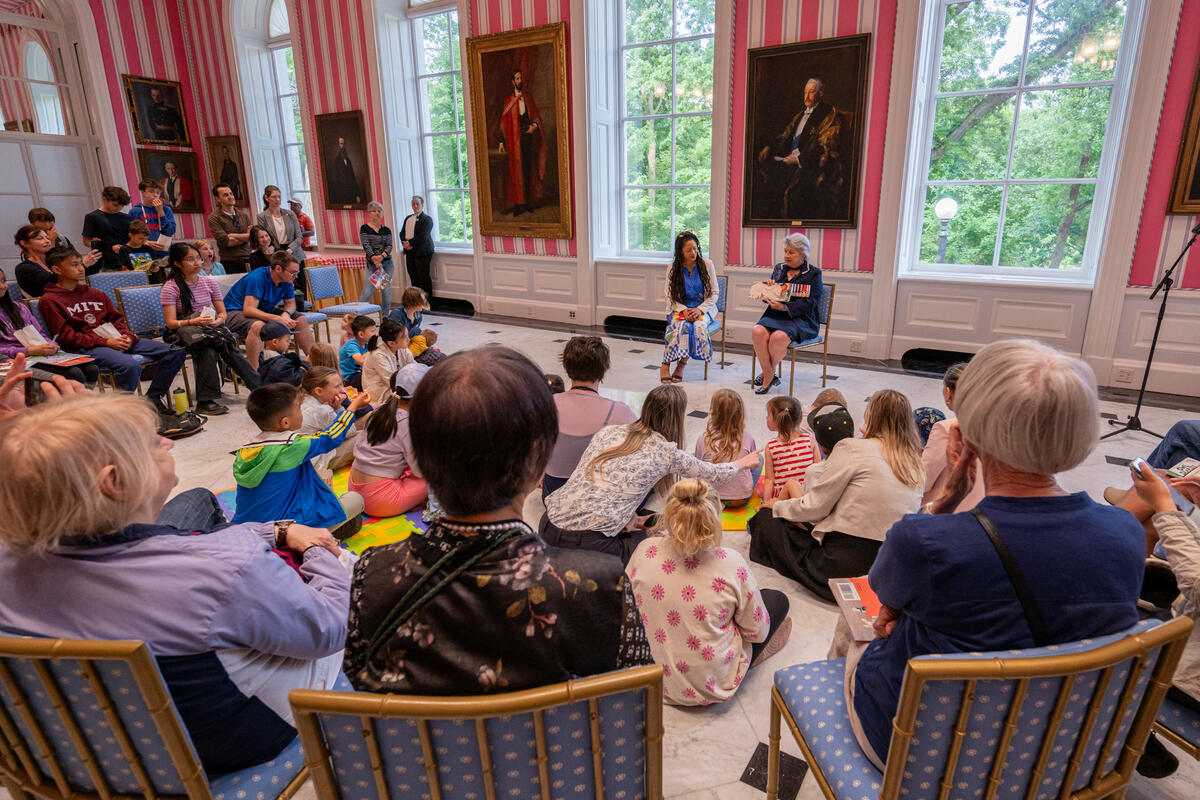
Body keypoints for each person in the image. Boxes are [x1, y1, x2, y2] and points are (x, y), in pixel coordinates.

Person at [0, 392, 349, 775]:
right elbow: (328, 630)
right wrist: (317, 548)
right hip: (220, 745)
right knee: (344, 567)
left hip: (76, 748)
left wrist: (22, 447)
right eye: (153, 441)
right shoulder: (224, 566)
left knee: (196, 501)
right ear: (114, 481)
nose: (168, 441)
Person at [843, 340, 1144, 771]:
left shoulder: (924, 540)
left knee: (857, 622)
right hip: (1058, 751)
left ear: (962, 438)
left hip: (926, 752)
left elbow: (883, 600)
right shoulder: (1127, 533)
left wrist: (944, 501)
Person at [344, 346, 652, 693]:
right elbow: (634, 704)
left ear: (423, 460)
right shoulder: (595, 583)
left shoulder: (373, 575)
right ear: (539, 460)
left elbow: (359, 681)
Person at [541, 384, 762, 564]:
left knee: (649, 520)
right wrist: (742, 463)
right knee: (664, 541)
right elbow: (713, 473)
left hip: (548, 525)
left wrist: (632, 518)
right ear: (677, 418)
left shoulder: (610, 432)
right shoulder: (666, 452)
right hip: (589, 545)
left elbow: (604, 484)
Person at [626, 479, 791, 705]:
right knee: (777, 600)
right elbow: (757, 633)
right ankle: (747, 661)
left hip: (650, 679)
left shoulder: (644, 550)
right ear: (714, 519)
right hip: (711, 686)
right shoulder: (731, 563)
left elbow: (628, 606)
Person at [749, 389, 924, 602]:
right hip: (890, 566)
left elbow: (815, 507)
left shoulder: (853, 448)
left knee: (766, 520)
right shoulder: (916, 462)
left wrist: (776, 506)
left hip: (841, 563)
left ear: (871, 417)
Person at [38, 247, 194, 435]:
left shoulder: (95, 293)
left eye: (81, 263)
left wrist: (125, 336)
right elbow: (65, 336)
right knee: (129, 366)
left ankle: (151, 399)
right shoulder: (50, 300)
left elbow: (116, 319)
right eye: (74, 265)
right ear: (57, 270)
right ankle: (122, 411)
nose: (81, 268)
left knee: (175, 352)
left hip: (116, 338)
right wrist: (106, 343)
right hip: (88, 346)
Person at [1125, 463, 1200, 778]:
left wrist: (1166, 506)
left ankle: (1127, 736)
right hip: (1188, 625)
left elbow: (1196, 584)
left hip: (1187, 676)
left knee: (1086, 629)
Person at [233, 382, 369, 532]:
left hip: (244, 530)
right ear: (285, 422)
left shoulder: (245, 450)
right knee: (355, 499)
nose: (302, 412)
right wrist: (353, 406)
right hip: (284, 532)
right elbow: (331, 437)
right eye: (299, 408)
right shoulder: (293, 446)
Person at [161, 242, 260, 415]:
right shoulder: (171, 287)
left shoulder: (208, 283)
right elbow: (170, 323)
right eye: (190, 259)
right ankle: (253, 388)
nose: (197, 263)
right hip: (180, 331)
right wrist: (193, 322)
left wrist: (218, 321)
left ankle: (255, 390)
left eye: (198, 258)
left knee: (222, 343)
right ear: (177, 263)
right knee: (208, 347)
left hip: (207, 328)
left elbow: (222, 313)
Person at [542, 336, 636, 498]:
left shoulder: (545, 406)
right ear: (603, 370)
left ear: (567, 367)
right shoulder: (620, 411)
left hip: (553, 493)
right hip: (596, 496)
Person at [754, 78, 846, 221]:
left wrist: (798, 159)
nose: (807, 97)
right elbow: (785, 136)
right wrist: (769, 147)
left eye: (811, 92)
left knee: (793, 193)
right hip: (788, 159)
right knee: (763, 181)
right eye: (805, 93)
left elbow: (825, 145)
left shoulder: (828, 114)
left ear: (820, 94)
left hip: (808, 163)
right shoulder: (800, 115)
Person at [348, 364, 429, 518]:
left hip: (354, 490)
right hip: (379, 500)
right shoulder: (408, 423)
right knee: (444, 475)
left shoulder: (380, 410)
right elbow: (420, 471)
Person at [751, 232, 823, 394]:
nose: (786, 256)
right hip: (775, 315)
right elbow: (768, 298)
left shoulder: (814, 273)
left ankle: (766, 375)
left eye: (791, 252)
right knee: (757, 331)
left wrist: (785, 308)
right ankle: (770, 373)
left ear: (803, 253)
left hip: (801, 319)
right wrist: (768, 288)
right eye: (786, 251)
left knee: (778, 338)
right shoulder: (779, 268)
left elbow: (811, 302)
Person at [0, 269, 99, 386]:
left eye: (3, 281)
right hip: (18, 358)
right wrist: (28, 351)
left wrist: (49, 344)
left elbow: (39, 333)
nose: (3, 286)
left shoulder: (19, 307)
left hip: (39, 353)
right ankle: (75, 403)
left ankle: (85, 402)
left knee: (91, 368)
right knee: (74, 373)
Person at [223, 251, 315, 369]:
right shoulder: (257, 278)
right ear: (278, 269)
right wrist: (278, 318)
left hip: (261, 310)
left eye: (297, 272)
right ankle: (255, 373)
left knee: (300, 319)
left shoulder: (287, 280)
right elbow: (249, 310)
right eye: (293, 272)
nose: (296, 276)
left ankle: (313, 362)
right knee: (258, 326)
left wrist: (286, 314)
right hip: (233, 312)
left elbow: (291, 304)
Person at [921, 362, 984, 513]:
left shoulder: (947, 428)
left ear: (949, 394)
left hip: (949, 511)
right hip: (985, 514)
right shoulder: (997, 429)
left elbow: (923, 480)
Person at [659, 231, 718, 383]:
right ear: (680, 252)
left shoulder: (707, 265)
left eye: (695, 248)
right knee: (682, 327)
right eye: (688, 250)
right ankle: (665, 364)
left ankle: (681, 365)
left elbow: (715, 294)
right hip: (679, 309)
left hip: (703, 309)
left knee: (696, 327)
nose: (693, 252)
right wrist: (684, 310)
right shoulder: (672, 268)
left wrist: (699, 310)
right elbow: (668, 295)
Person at [694, 389, 758, 508]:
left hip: (710, 497)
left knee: (697, 457)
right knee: (758, 459)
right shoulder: (747, 437)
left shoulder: (703, 438)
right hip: (742, 498)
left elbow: (698, 469)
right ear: (740, 414)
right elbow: (753, 464)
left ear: (712, 412)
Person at [299, 366, 360, 481]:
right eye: (337, 386)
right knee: (364, 436)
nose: (343, 390)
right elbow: (351, 430)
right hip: (315, 462)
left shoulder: (304, 400)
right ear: (318, 391)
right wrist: (339, 407)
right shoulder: (322, 410)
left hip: (302, 457)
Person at [497, 69, 544, 216]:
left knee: (528, 169)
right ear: (513, 82)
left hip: (528, 139)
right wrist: (500, 142)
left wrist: (534, 127)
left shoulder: (528, 99)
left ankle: (529, 203)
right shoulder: (508, 102)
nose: (519, 81)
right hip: (514, 142)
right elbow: (502, 124)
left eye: (521, 78)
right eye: (517, 79)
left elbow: (536, 116)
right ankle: (519, 204)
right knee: (516, 172)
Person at [14, 224, 99, 297]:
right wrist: (83, 264)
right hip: (47, 307)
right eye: (40, 238)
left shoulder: (52, 261)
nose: (47, 241)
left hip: (69, 300)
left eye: (47, 238)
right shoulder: (24, 268)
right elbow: (54, 281)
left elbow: (89, 272)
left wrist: (97, 253)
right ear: (24, 243)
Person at [761, 395, 816, 502]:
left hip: (781, 500)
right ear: (799, 419)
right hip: (807, 498)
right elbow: (817, 472)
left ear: (777, 420)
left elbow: (769, 480)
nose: (766, 418)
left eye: (768, 415)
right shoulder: (810, 440)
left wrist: (766, 504)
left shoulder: (771, 446)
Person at [256, 185, 306, 284]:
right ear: (267, 198)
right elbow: (265, 238)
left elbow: (299, 237)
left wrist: (290, 250)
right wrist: (280, 253)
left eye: (279, 197)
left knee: (300, 287)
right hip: (276, 253)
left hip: (294, 252)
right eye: (274, 197)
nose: (277, 200)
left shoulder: (290, 214)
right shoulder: (262, 216)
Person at [82, 186, 133, 273]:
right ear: (105, 199)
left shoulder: (127, 218)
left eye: (122, 206)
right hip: (106, 263)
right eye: (115, 205)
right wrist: (110, 248)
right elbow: (86, 242)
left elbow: (133, 238)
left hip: (128, 261)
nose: (119, 208)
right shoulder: (93, 217)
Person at [361, 318, 413, 403]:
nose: (408, 339)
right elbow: (392, 381)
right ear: (391, 343)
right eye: (404, 337)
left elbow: (413, 367)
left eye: (407, 335)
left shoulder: (401, 347)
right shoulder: (378, 355)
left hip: (395, 385)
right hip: (380, 393)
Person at [359, 201, 394, 315]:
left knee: (386, 291)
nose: (377, 213)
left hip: (386, 264)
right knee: (367, 292)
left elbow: (389, 246)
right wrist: (374, 258)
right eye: (374, 211)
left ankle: (385, 317)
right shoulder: (364, 228)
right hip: (372, 265)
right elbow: (366, 245)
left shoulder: (386, 230)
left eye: (379, 211)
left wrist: (382, 257)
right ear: (369, 213)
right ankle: (359, 317)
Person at [207, 183, 252, 274]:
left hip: (249, 259)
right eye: (225, 195)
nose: (230, 197)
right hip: (230, 262)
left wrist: (232, 235)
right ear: (218, 199)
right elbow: (226, 241)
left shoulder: (244, 215)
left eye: (231, 194)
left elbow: (252, 237)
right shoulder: (214, 217)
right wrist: (246, 237)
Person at [398, 195, 433, 298]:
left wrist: (410, 243)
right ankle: (416, 301)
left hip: (423, 252)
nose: (415, 206)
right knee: (413, 276)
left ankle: (427, 302)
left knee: (423, 278)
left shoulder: (427, 219)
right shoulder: (408, 218)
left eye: (417, 204)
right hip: (410, 252)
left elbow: (424, 235)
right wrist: (404, 242)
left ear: (422, 205)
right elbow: (402, 233)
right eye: (413, 204)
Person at [256, 320, 308, 386]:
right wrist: (305, 365)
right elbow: (296, 381)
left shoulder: (263, 356)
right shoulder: (280, 364)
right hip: (278, 394)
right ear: (275, 342)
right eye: (287, 340)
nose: (290, 342)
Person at [129, 178, 176, 247]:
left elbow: (170, 231)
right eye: (151, 191)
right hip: (144, 250)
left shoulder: (166, 210)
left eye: (158, 192)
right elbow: (132, 234)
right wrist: (146, 242)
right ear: (142, 192)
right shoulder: (135, 211)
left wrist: (161, 212)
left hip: (164, 250)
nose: (155, 195)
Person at [339, 314, 376, 389]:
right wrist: (373, 347)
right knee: (372, 378)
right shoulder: (351, 345)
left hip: (359, 374)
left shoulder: (366, 343)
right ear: (361, 334)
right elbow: (361, 361)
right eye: (372, 331)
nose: (375, 334)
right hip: (348, 378)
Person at [327, 136, 364, 206]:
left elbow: (353, 178)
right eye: (341, 144)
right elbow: (335, 180)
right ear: (338, 145)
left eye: (343, 144)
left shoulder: (348, 161)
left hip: (352, 194)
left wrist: (357, 194)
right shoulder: (336, 161)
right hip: (342, 196)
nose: (342, 146)